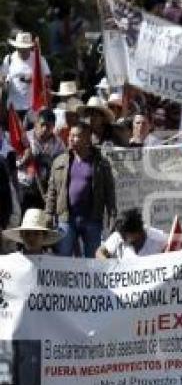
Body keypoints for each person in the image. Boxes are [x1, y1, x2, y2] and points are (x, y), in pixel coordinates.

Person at [1, 208, 63, 385]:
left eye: (36, 234)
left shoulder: (57, 267)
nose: (31, 237)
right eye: (27, 233)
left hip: (38, 334)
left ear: (43, 237)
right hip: (8, 331)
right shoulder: (8, 264)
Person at [45, 122, 117, 257]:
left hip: (92, 220)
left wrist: (112, 217)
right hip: (66, 219)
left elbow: (110, 193)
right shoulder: (59, 161)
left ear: (87, 139)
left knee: (92, 260)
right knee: (63, 257)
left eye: (76, 136)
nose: (70, 139)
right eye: (70, 135)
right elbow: (52, 191)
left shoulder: (101, 163)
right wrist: (48, 213)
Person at [2, 32, 51, 121]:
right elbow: (3, 78)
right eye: (20, 48)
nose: (23, 50)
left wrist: (34, 79)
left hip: (34, 107)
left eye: (25, 48)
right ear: (16, 47)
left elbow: (48, 80)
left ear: (30, 47)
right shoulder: (9, 59)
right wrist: (4, 83)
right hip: (14, 107)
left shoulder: (39, 59)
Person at [95, 208, 167, 259]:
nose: (122, 237)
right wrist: (106, 263)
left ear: (137, 233)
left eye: (124, 235)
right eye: (121, 234)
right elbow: (100, 252)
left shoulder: (158, 238)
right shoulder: (119, 235)